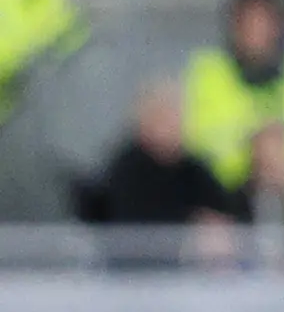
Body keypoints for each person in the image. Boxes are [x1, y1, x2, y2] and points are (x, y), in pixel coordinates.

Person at [180, 0, 284, 201]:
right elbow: (199, 143)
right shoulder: (208, 72)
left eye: (264, 21)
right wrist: (252, 150)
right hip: (220, 199)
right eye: (248, 21)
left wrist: (283, 160)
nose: (255, 31)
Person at [78, 76, 239, 228]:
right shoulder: (125, 169)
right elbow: (126, 222)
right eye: (160, 116)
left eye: (173, 116)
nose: (168, 125)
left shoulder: (194, 169)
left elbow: (225, 215)